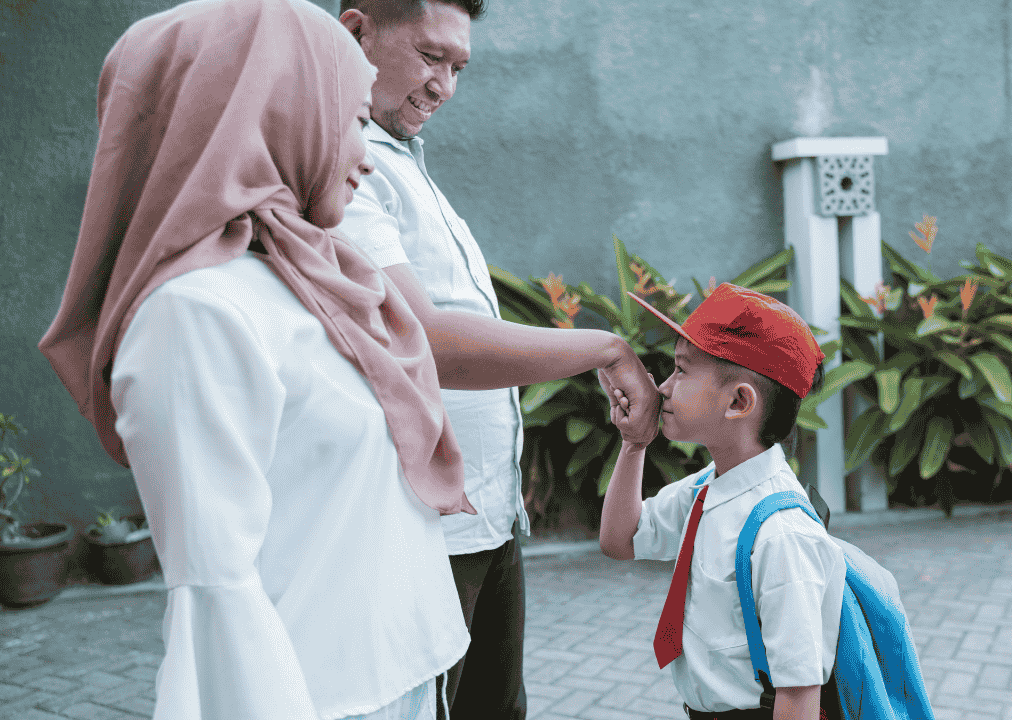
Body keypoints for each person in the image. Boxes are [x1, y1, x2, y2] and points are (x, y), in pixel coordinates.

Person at [36, 0, 654, 717]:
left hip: (400, 668)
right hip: (326, 689)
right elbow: (218, 601)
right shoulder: (196, 315)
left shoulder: (306, 273)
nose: (365, 153)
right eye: (349, 121)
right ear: (267, 111)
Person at [333, 1, 657, 717]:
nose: (443, 86)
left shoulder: (402, 163)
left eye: (458, 68)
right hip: (425, 526)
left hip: (486, 515)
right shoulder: (343, 167)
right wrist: (603, 347)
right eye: (429, 57)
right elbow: (429, 343)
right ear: (356, 32)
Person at [599, 284, 846, 720]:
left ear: (738, 401)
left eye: (681, 370)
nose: (665, 387)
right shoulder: (708, 489)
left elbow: (799, 693)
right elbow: (621, 539)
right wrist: (634, 444)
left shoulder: (782, 535)